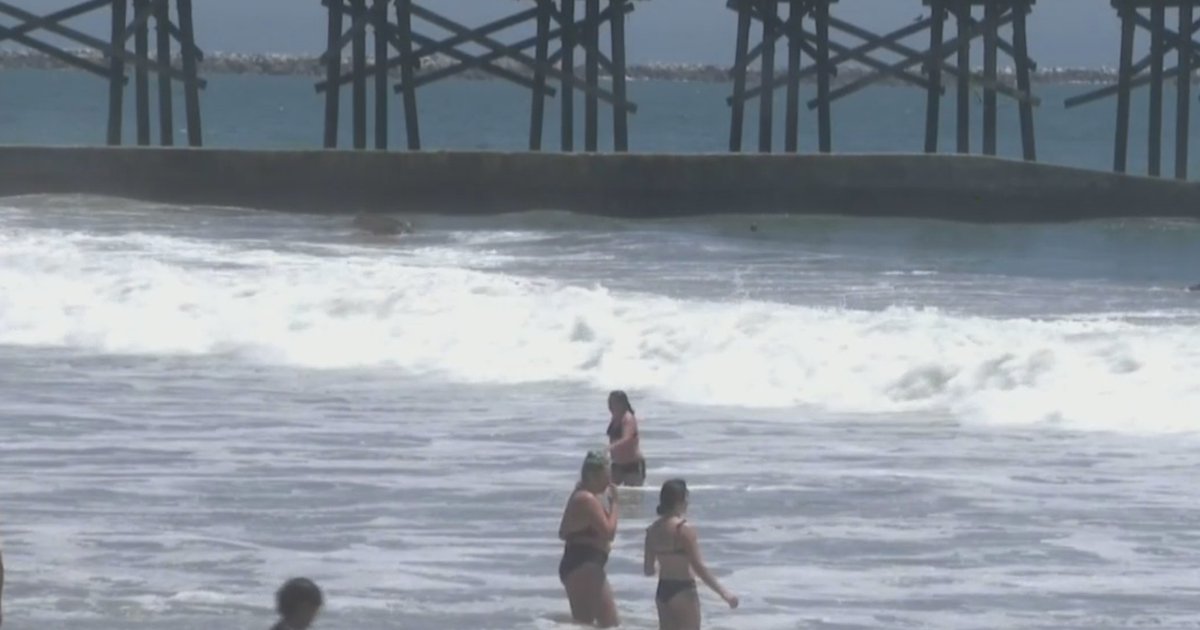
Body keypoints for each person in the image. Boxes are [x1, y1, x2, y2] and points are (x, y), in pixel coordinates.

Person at [643, 479, 738, 630]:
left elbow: (648, 570)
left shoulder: (652, 531)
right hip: (683, 589)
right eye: (686, 498)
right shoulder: (683, 529)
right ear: (679, 500)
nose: (687, 503)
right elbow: (699, 567)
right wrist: (724, 593)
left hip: (663, 591)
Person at [557, 450, 620, 628]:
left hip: (577, 564)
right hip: (586, 565)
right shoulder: (586, 499)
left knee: (584, 623)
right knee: (610, 624)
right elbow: (609, 533)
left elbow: (563, 532)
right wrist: (615, 504)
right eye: (606, 476)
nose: (609, 481)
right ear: (593, 475)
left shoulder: (579, 495)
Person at [603, 390, 645, 486]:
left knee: (633, 497)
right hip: (617, 464)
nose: (609, 406)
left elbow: (627, 438)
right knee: (610, 492)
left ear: (621, 403)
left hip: (632, 465)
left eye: (612, 403)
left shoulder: (628, 418)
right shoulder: (614, 418)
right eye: (609, 403)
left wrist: (610, 447)